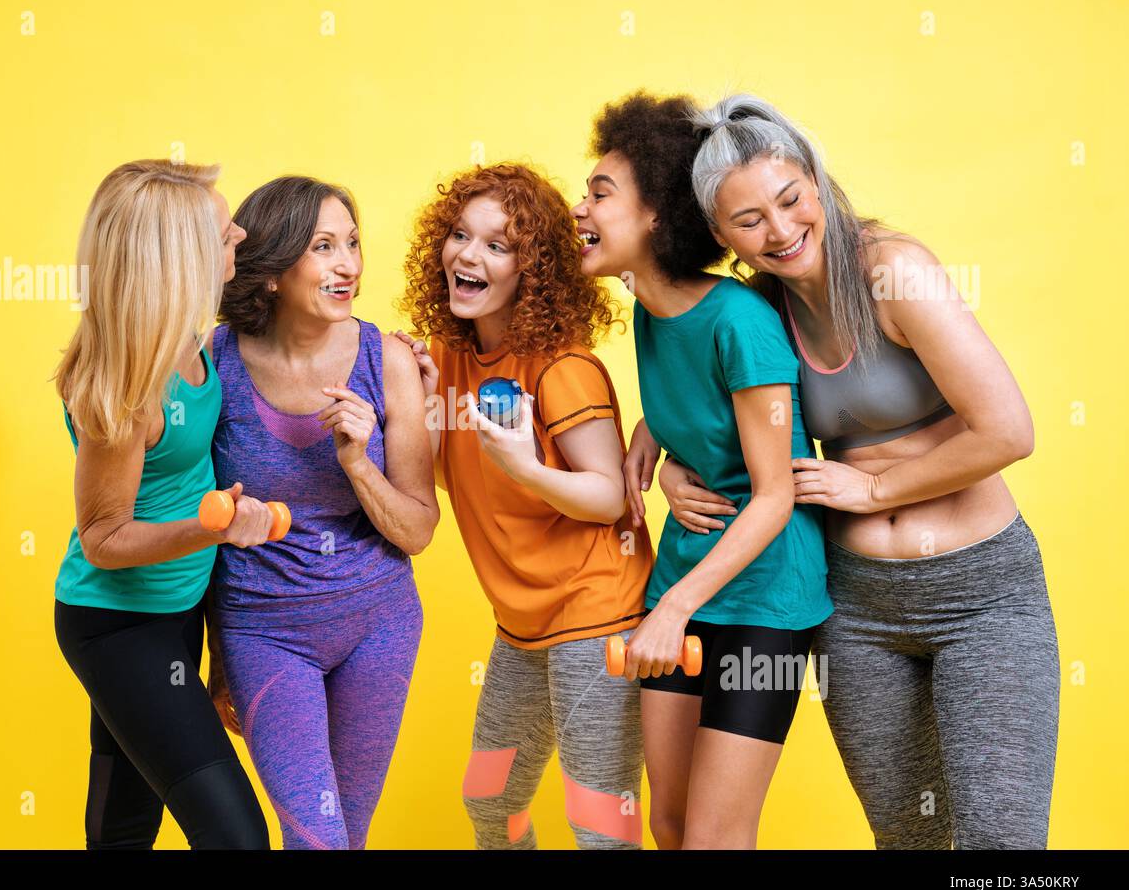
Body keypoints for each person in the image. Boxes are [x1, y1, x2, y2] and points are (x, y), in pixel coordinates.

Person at [632, 93, 1060, 849]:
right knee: (906, 836)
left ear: (817, 182)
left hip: (980, 593)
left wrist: (873, 488)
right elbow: (715, 404)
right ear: (721, 234)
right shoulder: (761, 310)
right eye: (749, 220)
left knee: (1002, 845)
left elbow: (1008, 429)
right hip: (857, 607)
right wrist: (663, 458)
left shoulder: (893, 270)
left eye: (791, 199)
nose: (781, 228)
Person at [575, 92, 833, 849]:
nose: (579, 206)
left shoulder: (742, 324)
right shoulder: (649, 309)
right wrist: (648, 433)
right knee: (670, 823)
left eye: (599, 191)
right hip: (687, 584)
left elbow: (775, 491)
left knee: (715, 838)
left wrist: (673, 609)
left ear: (656, 214)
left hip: (765, 604)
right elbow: (694, 394)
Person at [396, 163, 652, 849]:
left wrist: (527, 466)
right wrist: (419, 413)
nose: (468, 256)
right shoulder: (450, 357)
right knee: (491, 797)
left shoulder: (561, 368)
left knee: (601, 824)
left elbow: (608, 497)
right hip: (521, 626)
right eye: (459, 235)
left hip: (596, 617)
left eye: (497, 245)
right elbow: (466, 482)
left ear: (531, 270)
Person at [206, 176, 438, 850]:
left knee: (349, 838)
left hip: (380, 623)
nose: (350, 266)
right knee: (317, 839)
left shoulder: (388, 361)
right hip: (264, 631)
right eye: (325, 247)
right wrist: (214, 655)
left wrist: (359, 461)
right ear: (274, 269)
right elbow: (189, 506)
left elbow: (419, 528)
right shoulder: (215, 363)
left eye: (354, 244)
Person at [52, 158, 270, 849]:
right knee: (235, 836)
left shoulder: (192, 344)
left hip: (176, 616)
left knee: (123, 826)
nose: (238, 231)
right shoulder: (130, 380)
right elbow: (104, 538)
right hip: (117, 627)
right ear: (176, 255)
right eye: (220, 227)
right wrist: (217, 527)